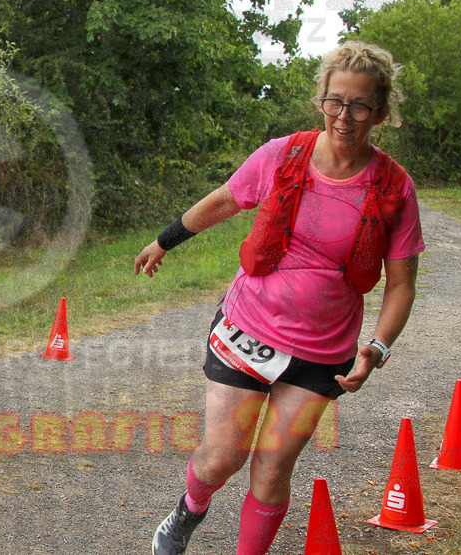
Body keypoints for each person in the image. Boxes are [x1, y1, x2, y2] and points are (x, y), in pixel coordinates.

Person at [134, 41, 423, 555]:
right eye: (336, 101)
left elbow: (400, 284)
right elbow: (226, 199)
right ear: (321, 101)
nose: (346, 116)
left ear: (380, 111)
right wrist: (164, 241)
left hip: (322, 352)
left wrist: (377, 347)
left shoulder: (395, 187)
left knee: (271, 471)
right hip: (248, 330)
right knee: (222, 458)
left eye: (360, 105)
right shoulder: (282, 154)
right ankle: (188, 511)